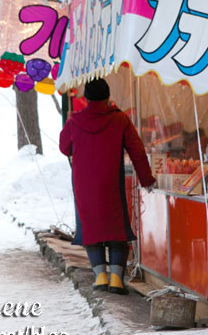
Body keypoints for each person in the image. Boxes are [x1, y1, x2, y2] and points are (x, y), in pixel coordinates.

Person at [59, 78, 156, 295]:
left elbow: (64, 148)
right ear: (108, 96)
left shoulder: (75, 121)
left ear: (86, 98)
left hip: (83, 184)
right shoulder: (119, 119)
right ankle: (116, 280)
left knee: (90, 226)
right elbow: (137, 150)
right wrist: (146, 178)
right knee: (116, 228)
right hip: (111, 181)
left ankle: (100, 276)